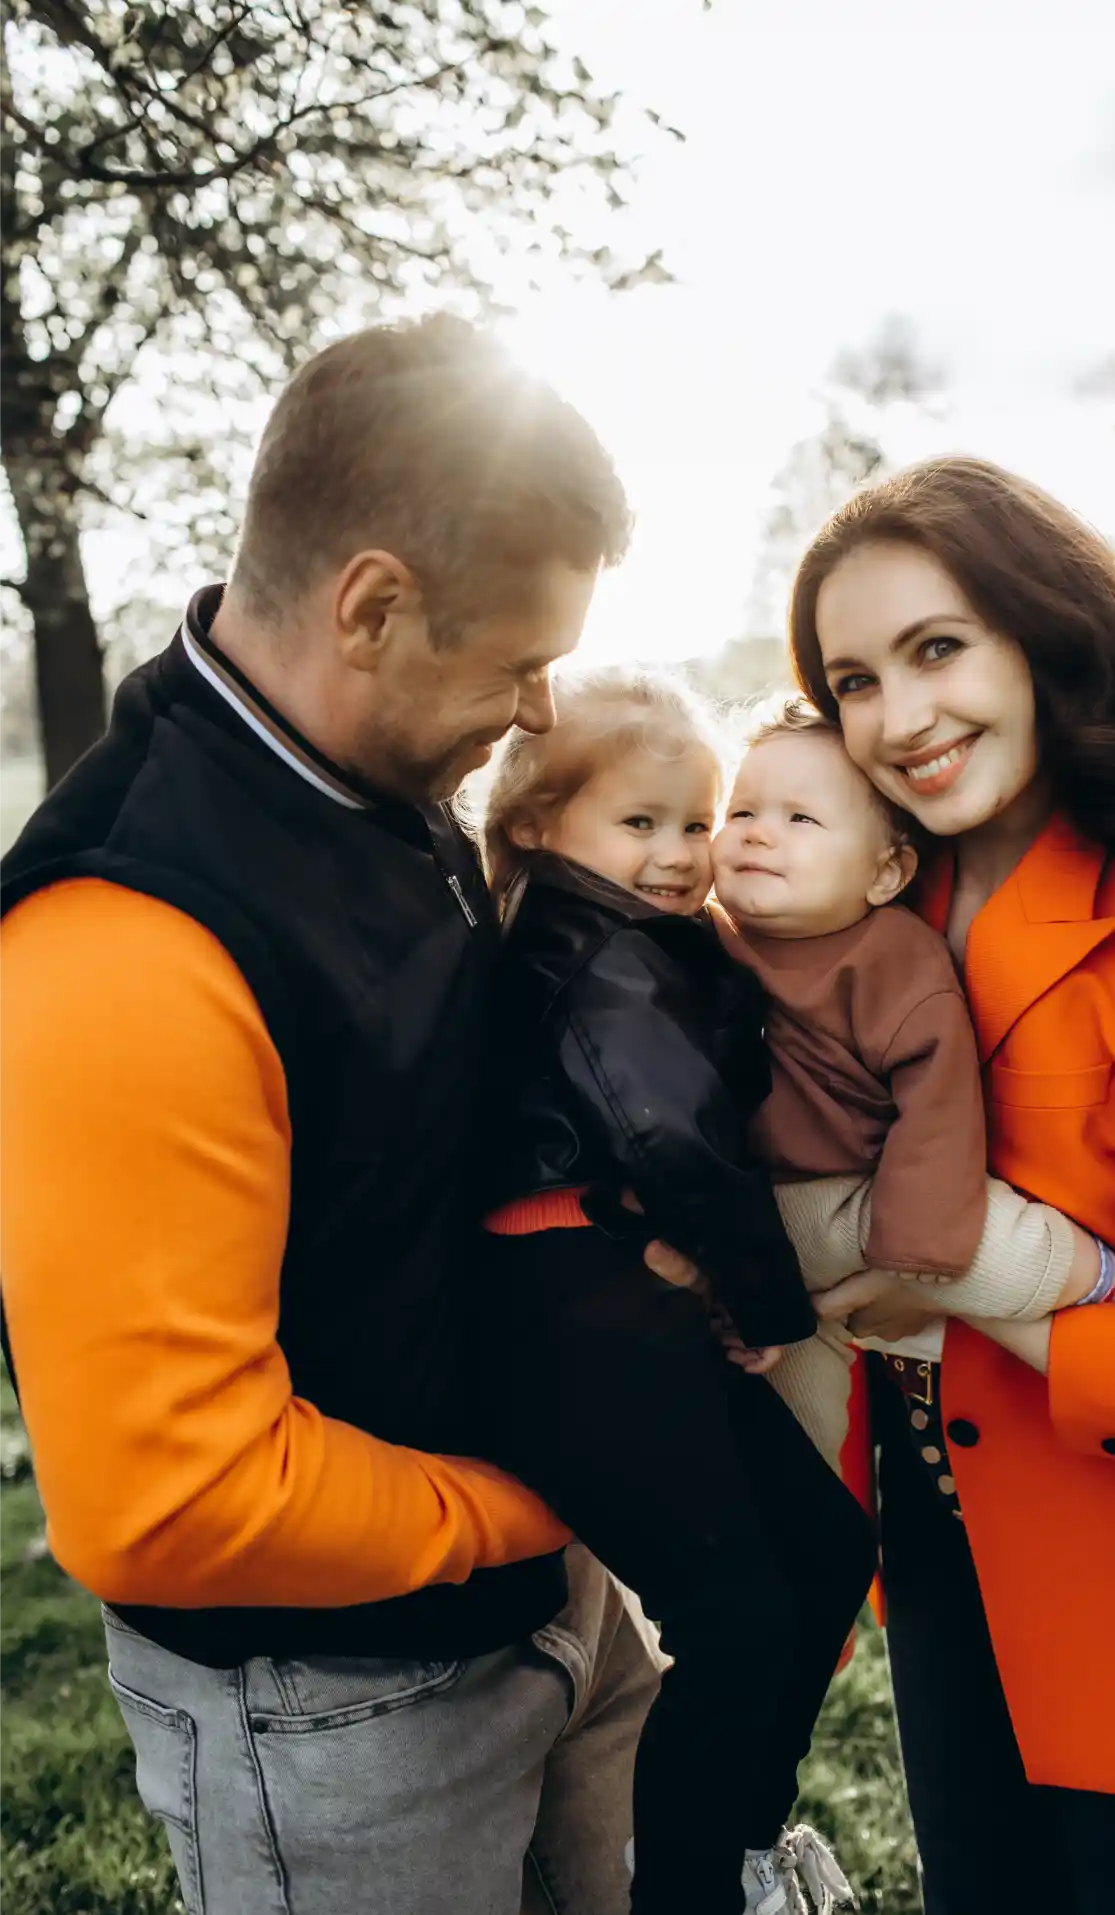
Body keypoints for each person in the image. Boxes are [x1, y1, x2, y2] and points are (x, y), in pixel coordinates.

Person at [0, 316, 668, 1915]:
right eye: (514, 656)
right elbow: (172, 1500)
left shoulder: (373, 782)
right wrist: (547, 1498)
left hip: (536, 1614)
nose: (535, 704)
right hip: (338, 1718)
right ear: (370, 604)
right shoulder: (123, 936)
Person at [786, 455, 1115, 1915]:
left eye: (939, 648)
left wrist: (978, 1293)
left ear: (1044, 634)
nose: (902, 719)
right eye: (854, 678)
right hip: (940, 1562)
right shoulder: (874, 910)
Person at [480, 668, 874, 1915]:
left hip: (621, 1284)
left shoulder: (647, 943)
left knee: (826, 1545)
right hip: (572, 1301)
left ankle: (739, 1842)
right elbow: (671, 1138)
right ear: (539, 825)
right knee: (735, 1612)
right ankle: (694, 1884)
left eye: (693, 823)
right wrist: (765, 1307)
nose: (675, 854)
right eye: (638, 823)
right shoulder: (594, 952)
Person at [710, 697, 1115, 1489]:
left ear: (884, 872)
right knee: (793, 1402)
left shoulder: (890, 958)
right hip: (760, 1211)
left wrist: (915, 1240)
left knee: (993, 1242)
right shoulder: (707, 938)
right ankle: (810, 1526)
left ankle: (1107, 1279)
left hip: (871, 1198)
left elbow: (938, 1098)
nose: (756, 832)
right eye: (741, 810)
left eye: (799, 819)